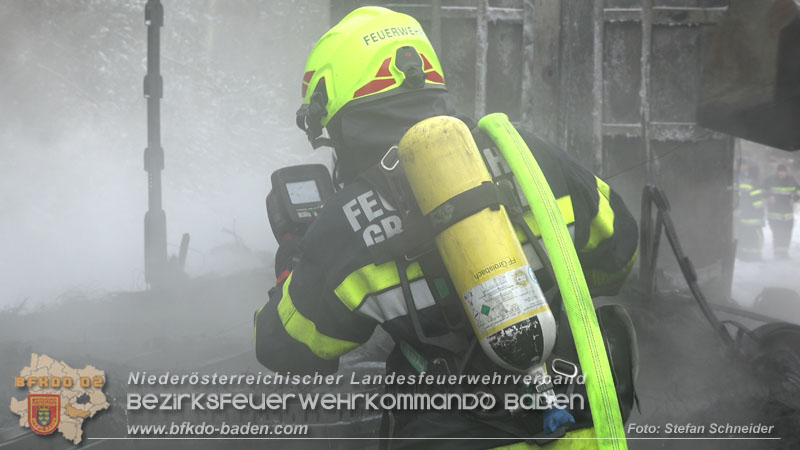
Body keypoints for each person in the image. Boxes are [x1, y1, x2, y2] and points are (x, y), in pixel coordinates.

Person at [254, 7, 638, 448]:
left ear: (340, 115)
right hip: (590, 429)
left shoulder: (347, 219)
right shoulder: (528, 153)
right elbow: (621, 252)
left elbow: (285, 348)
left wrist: (295, 259)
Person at [765, 163, 799, 259]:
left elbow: (798, 190)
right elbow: (762, 189)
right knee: (777, 233)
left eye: (783, 171)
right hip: (774, 213)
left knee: (787, 233)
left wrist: (795, 198)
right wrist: (768, 195)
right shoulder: (770, 180)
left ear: (787, 172)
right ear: (777, 172)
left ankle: (784, 253)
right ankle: (777, 252)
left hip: (787, 214)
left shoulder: (792, 181)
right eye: (780, 171)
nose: (782, 173)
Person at [734, 160, 765, 261]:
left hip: (745, 215)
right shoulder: (751, 182)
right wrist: (760, 214)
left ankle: (747, 255)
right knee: (752, 236)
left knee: (746, 235)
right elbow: (757, 202)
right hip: (750, 215)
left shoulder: (744, 181)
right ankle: (752, 256)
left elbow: (741, 197)